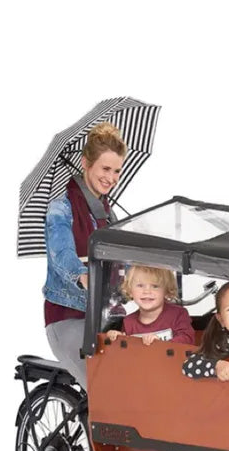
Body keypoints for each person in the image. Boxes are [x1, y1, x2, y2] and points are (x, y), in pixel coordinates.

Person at [42, 121, 126, 390]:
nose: (111, 178)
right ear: (86, 163)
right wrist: (83, 276)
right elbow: (61, 253)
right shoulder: (61, 208)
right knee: (106, 392)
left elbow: (122, 260)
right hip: (69, 318)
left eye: (117, 171)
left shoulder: (108, 214)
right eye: (105, 169)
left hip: (105, 317)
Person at [104, 265, 195, 346]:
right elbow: (126, 351)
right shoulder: (128, 321)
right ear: (130, 291)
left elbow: (188, 340)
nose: (147, 291)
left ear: (167, 291)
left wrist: (161, 344)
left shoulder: (178, 314)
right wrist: (117, 338)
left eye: (155, 286)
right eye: (140, 285)